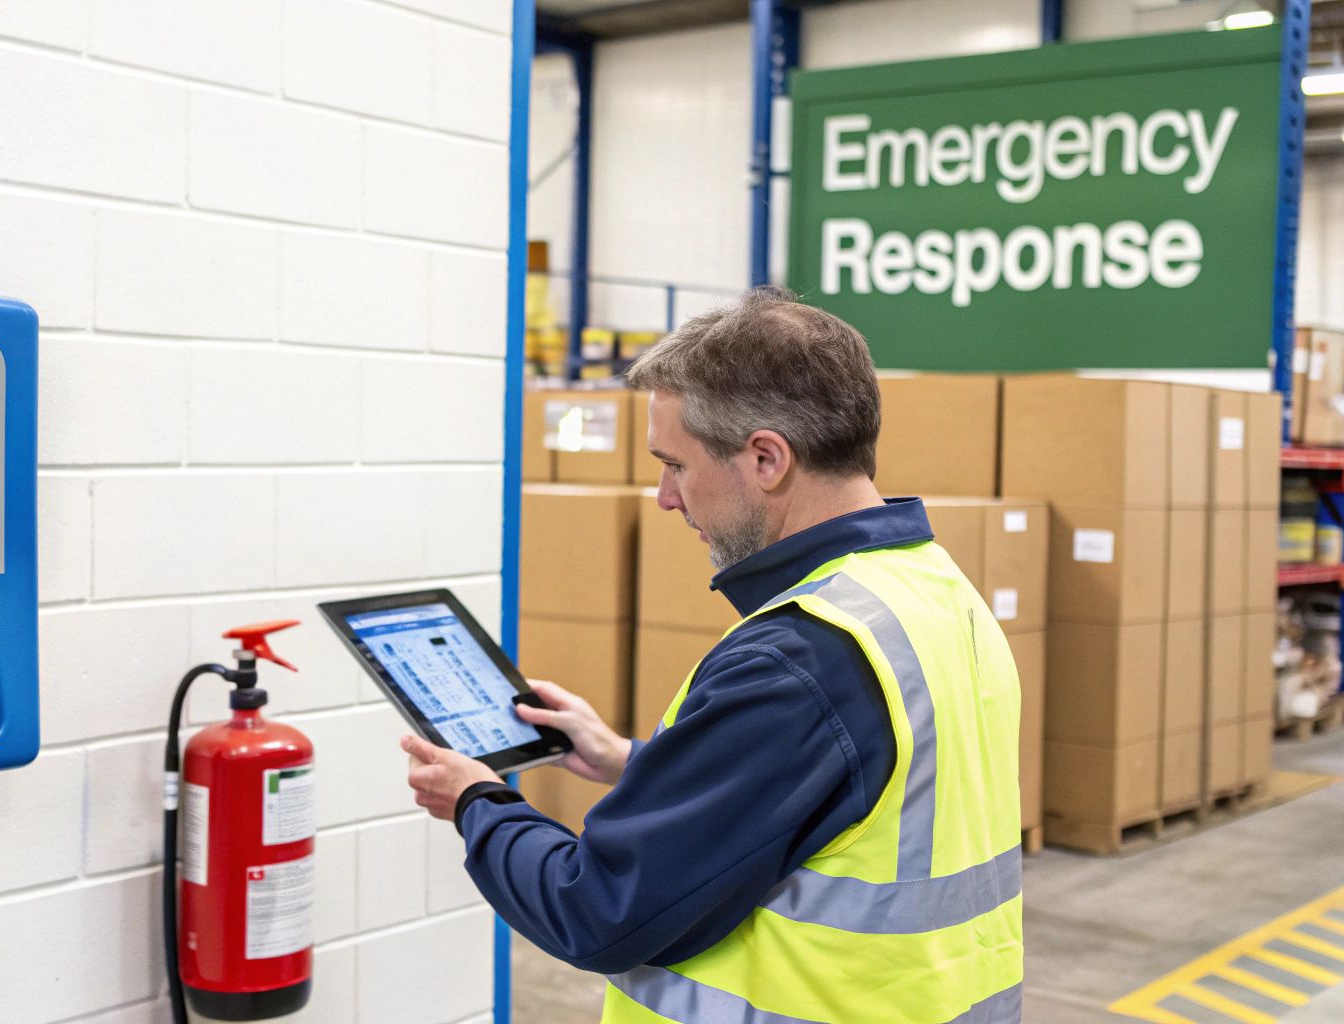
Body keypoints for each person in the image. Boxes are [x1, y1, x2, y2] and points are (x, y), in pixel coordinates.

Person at [401, 286, 1024, 1024]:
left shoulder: (800, 659)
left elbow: (599, 910)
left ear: (765, 458)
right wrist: (628, 761)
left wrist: (478, 802)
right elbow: (831, 800)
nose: (666, 497)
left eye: (676, 465)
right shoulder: (931, 589)